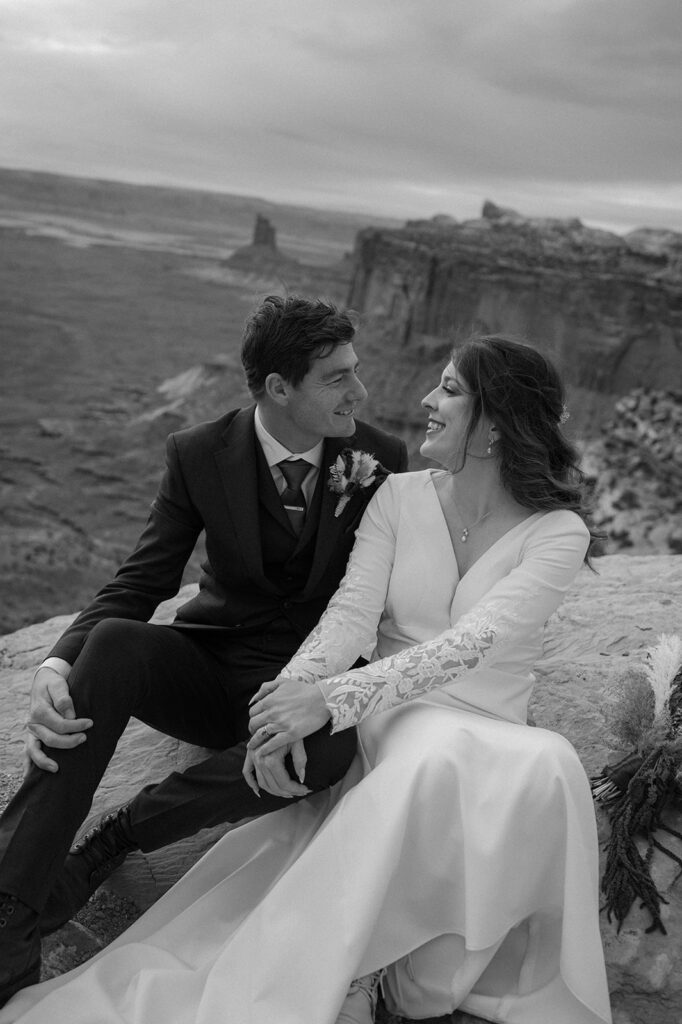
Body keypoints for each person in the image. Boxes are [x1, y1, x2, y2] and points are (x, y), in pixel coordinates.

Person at [0, 336, 612, 1024]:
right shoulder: (398, 497)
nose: (425, 402)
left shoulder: (558, 531)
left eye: (447, 389)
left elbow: (474, 644)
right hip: (396, 713)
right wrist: (284, 702)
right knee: (428, 758)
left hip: (482, 710)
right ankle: (15, 910)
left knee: (544, 761)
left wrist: (330, 698)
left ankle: (396, 967)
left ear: (495, 420)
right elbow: (350, 617)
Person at [0, 294, 408, 1008]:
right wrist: (55, 665)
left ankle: (116, 839)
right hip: (212, 664)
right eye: (338, 377)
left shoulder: (379, 459)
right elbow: (146, 576)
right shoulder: (197, 452)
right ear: (279, 389)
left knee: (332, 754)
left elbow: (379, 600)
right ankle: (10, 912)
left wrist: (331, 689)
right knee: (115, 644)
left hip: (301, 686)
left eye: (356, 371)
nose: (360, 391)